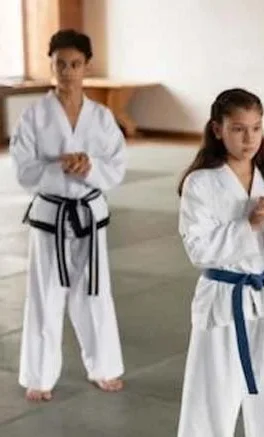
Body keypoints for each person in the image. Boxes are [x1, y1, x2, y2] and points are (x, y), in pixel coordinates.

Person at [176, 88, 264, 437]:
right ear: (217, 129)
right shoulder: (200, 182)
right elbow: (198, 250)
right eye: (238, 128)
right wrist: (249, 223)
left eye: (256, 127)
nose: (249, 138)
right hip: (223, 299)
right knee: (211, 397)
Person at [10, 29, 126, 402]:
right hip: (51, 218)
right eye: (60, 63)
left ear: (86, 66)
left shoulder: (102, 117)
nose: (67, 71)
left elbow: (116, 166)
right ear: (51, 65)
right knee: (45, 294)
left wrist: (88, 167)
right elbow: (24, 169)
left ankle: (104, 367)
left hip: (89, 215)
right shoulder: (34, 115)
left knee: (94, 292)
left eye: (75, 64)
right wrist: (62, 167)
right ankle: (40, 375)